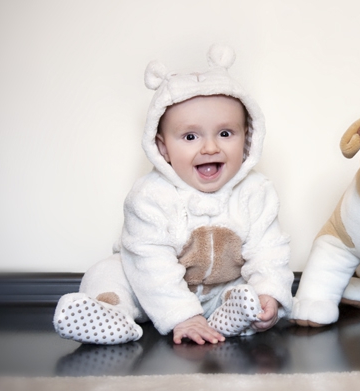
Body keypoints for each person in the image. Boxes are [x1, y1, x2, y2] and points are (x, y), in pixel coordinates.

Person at [53, 44, 293, 346]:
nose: (210, 148)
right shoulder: (150, 196)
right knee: (108, 271)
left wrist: (270, 293)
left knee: (249, 291)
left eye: (225, 133)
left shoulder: (256, 191)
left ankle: (239, 312)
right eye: (190, 136)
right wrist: (182, 315)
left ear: (247, 138)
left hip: (221, 290)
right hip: (152, 291)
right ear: (163, 147)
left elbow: (269, 250)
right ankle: (111, 312)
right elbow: (149, 260)